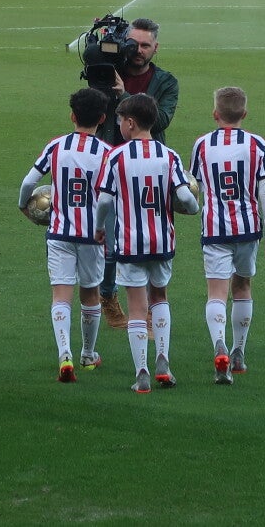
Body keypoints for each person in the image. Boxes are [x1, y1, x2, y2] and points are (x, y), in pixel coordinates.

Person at [96, 93, 199, 393]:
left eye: (120, 120)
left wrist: (100, 228)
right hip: (162, 240)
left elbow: (104, 201)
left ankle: (141, 372)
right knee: (160, 297)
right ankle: (163, 360)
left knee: (137, 307)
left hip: (130, 243)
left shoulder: (116, 157)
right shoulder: (169, 155)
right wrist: (194, 209)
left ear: (130, 123)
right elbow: (185, 196)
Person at [18, 87, 112, 380]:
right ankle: (88, 355)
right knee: (91, 293)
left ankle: (64, 354)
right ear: (102, 118)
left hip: (59, 233)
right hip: (92, 236)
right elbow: (109, 198)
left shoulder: (56, 146)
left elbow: (29, 182)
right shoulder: (107, 153)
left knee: (61, 294)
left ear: (72, 116)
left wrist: (23, 205)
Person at [189, 87, 265, 384]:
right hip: (247, 228)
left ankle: (220, 344)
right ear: (245, 114)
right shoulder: (257, 144)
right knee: (242, 286)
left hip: (215, 228)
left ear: (215, 114)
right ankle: (238, 351)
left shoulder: (202, 145)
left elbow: (194, 189)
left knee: (217, 292)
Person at [96, 18, 179, 329]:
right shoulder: (107, 72)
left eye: (145, 45)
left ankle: (149, 305)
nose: (139, 51)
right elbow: (92, 112)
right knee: (110, 242)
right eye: (134, 44)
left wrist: (123, 97)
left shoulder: (166, 81)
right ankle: (107, 295)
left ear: (156, 48)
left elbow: (161, 120)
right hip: (112, 164)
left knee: (151, 241)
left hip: (149, 170)